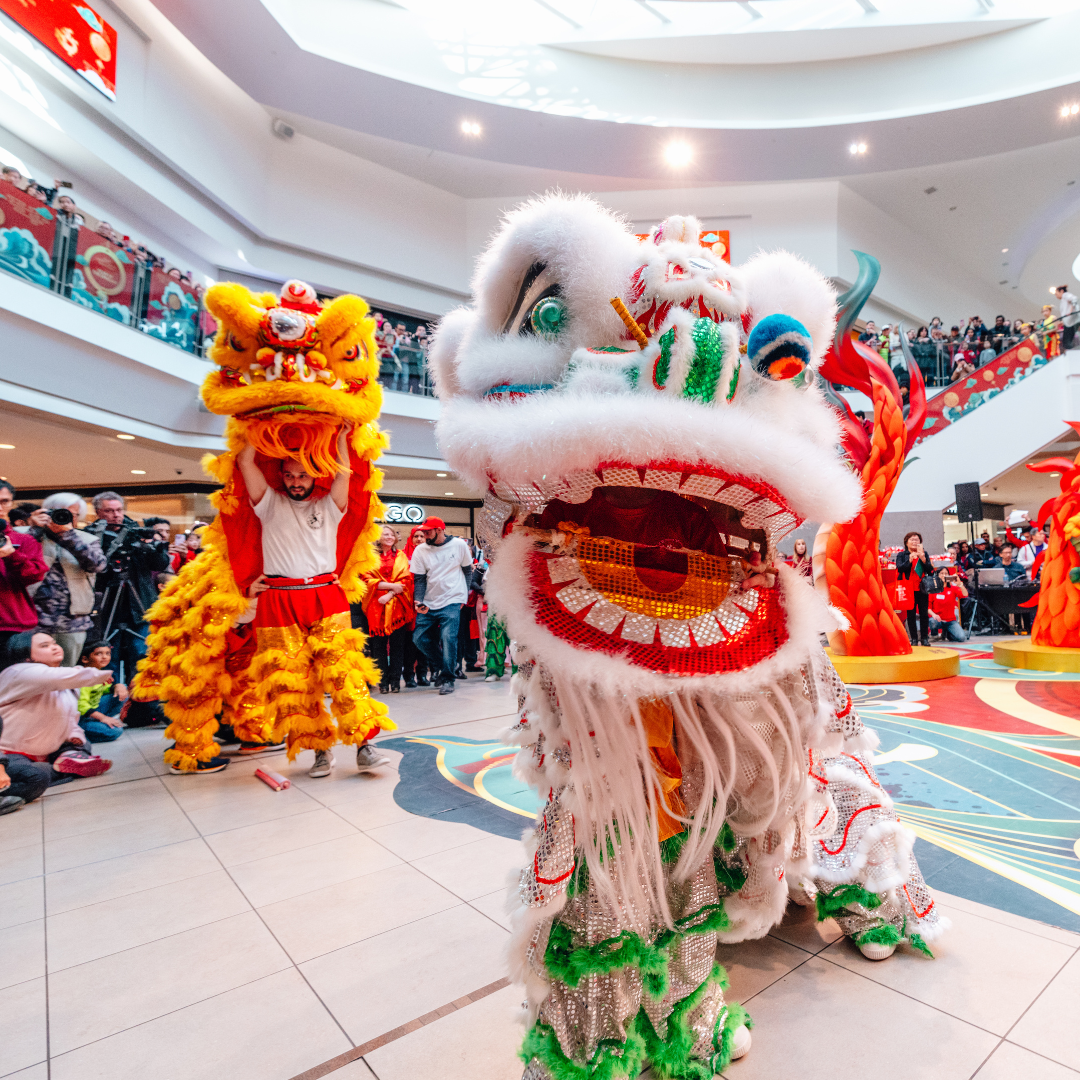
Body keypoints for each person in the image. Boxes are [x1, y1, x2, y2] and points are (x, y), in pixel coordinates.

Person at [234, 428, 391, 778]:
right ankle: (319, 750)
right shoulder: (268, 502)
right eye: (289, 475)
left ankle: (365, 746)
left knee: (344, 674)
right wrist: (250, 425)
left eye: (302, 474)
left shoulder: (329, 506)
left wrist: (341, 438)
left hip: (325, 596)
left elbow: (345, 472)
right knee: (294, 683)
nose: (295, 481)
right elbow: (245, 460)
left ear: (313, 474)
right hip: (278, 600)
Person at [0, 631, 113, 783]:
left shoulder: (64, 683)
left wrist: (74, 734)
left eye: (54, 643)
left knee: (83, 741)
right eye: (45, 646)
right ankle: (55, 770)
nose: (54, 647)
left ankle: (66, 761)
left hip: (49, 750)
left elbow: (71, 716)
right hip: (10, 754)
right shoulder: (18, 671)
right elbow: (69, 675)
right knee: (35, 777)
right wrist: (98, 675)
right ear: (27, 655)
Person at [84, 492, 171, 680]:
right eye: (109, 511)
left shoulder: (137, 532)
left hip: (140, 603)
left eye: (118, 510)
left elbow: (160, 564)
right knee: (107, 656)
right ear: (98, 512)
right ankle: (109, 701)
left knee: (142, 653)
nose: (116, 515)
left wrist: (149, 545)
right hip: (106, 604)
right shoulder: (91, 535)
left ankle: (141, 701)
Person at [24, 494, 107, 667]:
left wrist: (68, 535)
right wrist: (33, 529)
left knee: (66, 677)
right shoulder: (29, 536)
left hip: (72, 622)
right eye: (59, 513)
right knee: (29, 675)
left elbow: (98, 566)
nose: (64, 518)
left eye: (72, 514)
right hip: (31, 620)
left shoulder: (87, 539)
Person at [410, 516, 473, 695]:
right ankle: (442, 665)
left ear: (439, 530)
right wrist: (418, 600)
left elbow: (467, 570)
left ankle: (447, 679)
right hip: (429, 601)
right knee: (419, 638)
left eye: (427, 531)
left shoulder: (459, 545)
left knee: (448, 637)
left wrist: (464, 595)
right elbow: (420, 579)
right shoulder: (420, 550)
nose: (423, 534)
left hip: (453, 599)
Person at [361, 525, 414, 694]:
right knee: (378, 647)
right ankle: (382, 682)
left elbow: (406, 580)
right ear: (378, 537)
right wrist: (392, 586)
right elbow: (366, 579)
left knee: (398, 646)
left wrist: (389, 594)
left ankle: (395, 681)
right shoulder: (369, 557)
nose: (389, 537)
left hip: (398, 606)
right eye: (385, 534)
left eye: (392, 534)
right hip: (375, 607)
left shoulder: (401, 556)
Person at [0, 499, 48, 655]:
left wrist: (11, 556)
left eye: (4, 501)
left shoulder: (23, 540)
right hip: (12, 621)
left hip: (12, 624)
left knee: (15, 676)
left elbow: (34, 575)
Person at [76, 640, 127, 742]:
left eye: (107, 653)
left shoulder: (99, 673)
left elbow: (103, 689)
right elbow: (81, 706)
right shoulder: (84, 676)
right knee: (116, 731)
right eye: (99, 654)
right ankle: (79, 734)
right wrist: (103, 718)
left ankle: (97, 723)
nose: (104, 657)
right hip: (80, 718)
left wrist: (116, 686)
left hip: (93, 709)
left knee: (122, 689)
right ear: (85, 659)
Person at [895, 531, 933, 646]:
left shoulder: (924, 553)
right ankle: (914, 639)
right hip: (908, 588)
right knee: (910, 614)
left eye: (917, 540)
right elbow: (900, 568)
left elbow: (930, 571)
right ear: (906, 542)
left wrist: (923, 559)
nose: (914, 541)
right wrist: (910, 560)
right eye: (912, 539)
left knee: (923, 614)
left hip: (922, 587)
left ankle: (924, 638)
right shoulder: (902, 555)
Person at [927, 567, 968, 642]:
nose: (943, 575)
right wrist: (934, 615)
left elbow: (965, 595)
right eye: (941, 573)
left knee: (961, 638)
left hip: (950, 621)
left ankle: (947, 633)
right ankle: (934, 634)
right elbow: (927, 607)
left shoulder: (953, 588)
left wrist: (960, 584)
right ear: (937, 576)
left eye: (946, 573)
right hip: (937, 620)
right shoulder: (932, 590)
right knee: (932, 621)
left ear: (949, 576)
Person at [1057, 285, 1079, 350]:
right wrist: (1063, 322)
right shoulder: (1063, 300)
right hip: (1069, 323)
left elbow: (1074, 298)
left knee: (1066, 342)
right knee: (1067, 341)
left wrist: (1071, 310)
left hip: (1072, 322)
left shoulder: (1065, 295)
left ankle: (1073, 354)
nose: (1056, 296)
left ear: (1061, 291)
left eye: (1056, 293)